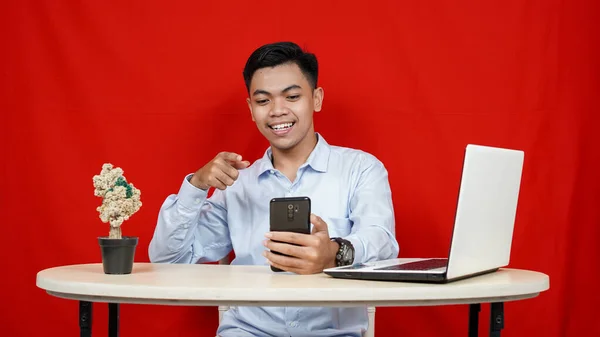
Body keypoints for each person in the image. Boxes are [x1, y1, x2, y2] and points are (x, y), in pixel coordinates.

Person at [148, 41, 399, 337]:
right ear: (251, 109)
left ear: (316, 99)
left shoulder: (360, 168)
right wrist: (196, 186)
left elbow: (382, 240)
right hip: (248, 331)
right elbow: (168, 262)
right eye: (263, 101)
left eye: (292, 96)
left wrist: (334, 252)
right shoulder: (236, 183)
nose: (277, 111)